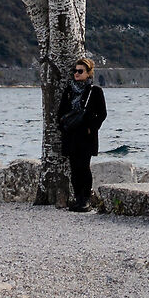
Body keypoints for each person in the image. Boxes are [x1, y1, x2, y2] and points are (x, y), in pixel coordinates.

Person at [56, 56, 107, 212]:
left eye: (80, 71)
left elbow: (102, 113)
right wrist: (63, 127)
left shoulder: (95, 91)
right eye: (75, 71)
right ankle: (78, 198)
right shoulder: (69, 91)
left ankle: (85, 199)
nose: (76, 74)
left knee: (84, 167)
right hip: (71, 135)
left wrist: (92, 127)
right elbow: (61, 113)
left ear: (88, 73)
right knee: (74, 168)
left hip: (86, 136)